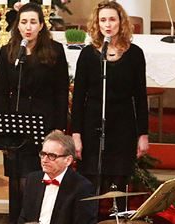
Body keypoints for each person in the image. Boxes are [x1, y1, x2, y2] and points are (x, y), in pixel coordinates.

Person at [0, 2, 70, 224]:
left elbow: (61, 91)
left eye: (33, 22)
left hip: (43, 123)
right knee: (16, 180)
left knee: (34, 180)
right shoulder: (8, 51)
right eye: (24, 22)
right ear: (17, 26)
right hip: (15, 126)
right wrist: (2, 126)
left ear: (41, 25)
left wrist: (59, 128)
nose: (28, 27)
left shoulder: (55, 51)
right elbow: (0, 91)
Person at [71, 0, 149, 195]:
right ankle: (90, 223)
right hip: (92, 124)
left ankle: (118, 221)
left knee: (119, 180)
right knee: (91, 180)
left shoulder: (135, 54)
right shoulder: (88, 54)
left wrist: (143, 134)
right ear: (97, 24)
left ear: (121, 22)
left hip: (123, 125)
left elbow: (140, 96)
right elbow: (79, 97)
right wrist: (76, 134)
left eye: (112, 19)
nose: (108, 24)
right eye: (103, 20)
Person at [16, 131, 97, 224]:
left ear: (68, 160)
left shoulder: (82, 187)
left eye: (52, 156)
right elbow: (24, 217)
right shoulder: (32, 180)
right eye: (43, 154)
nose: (44, 160)